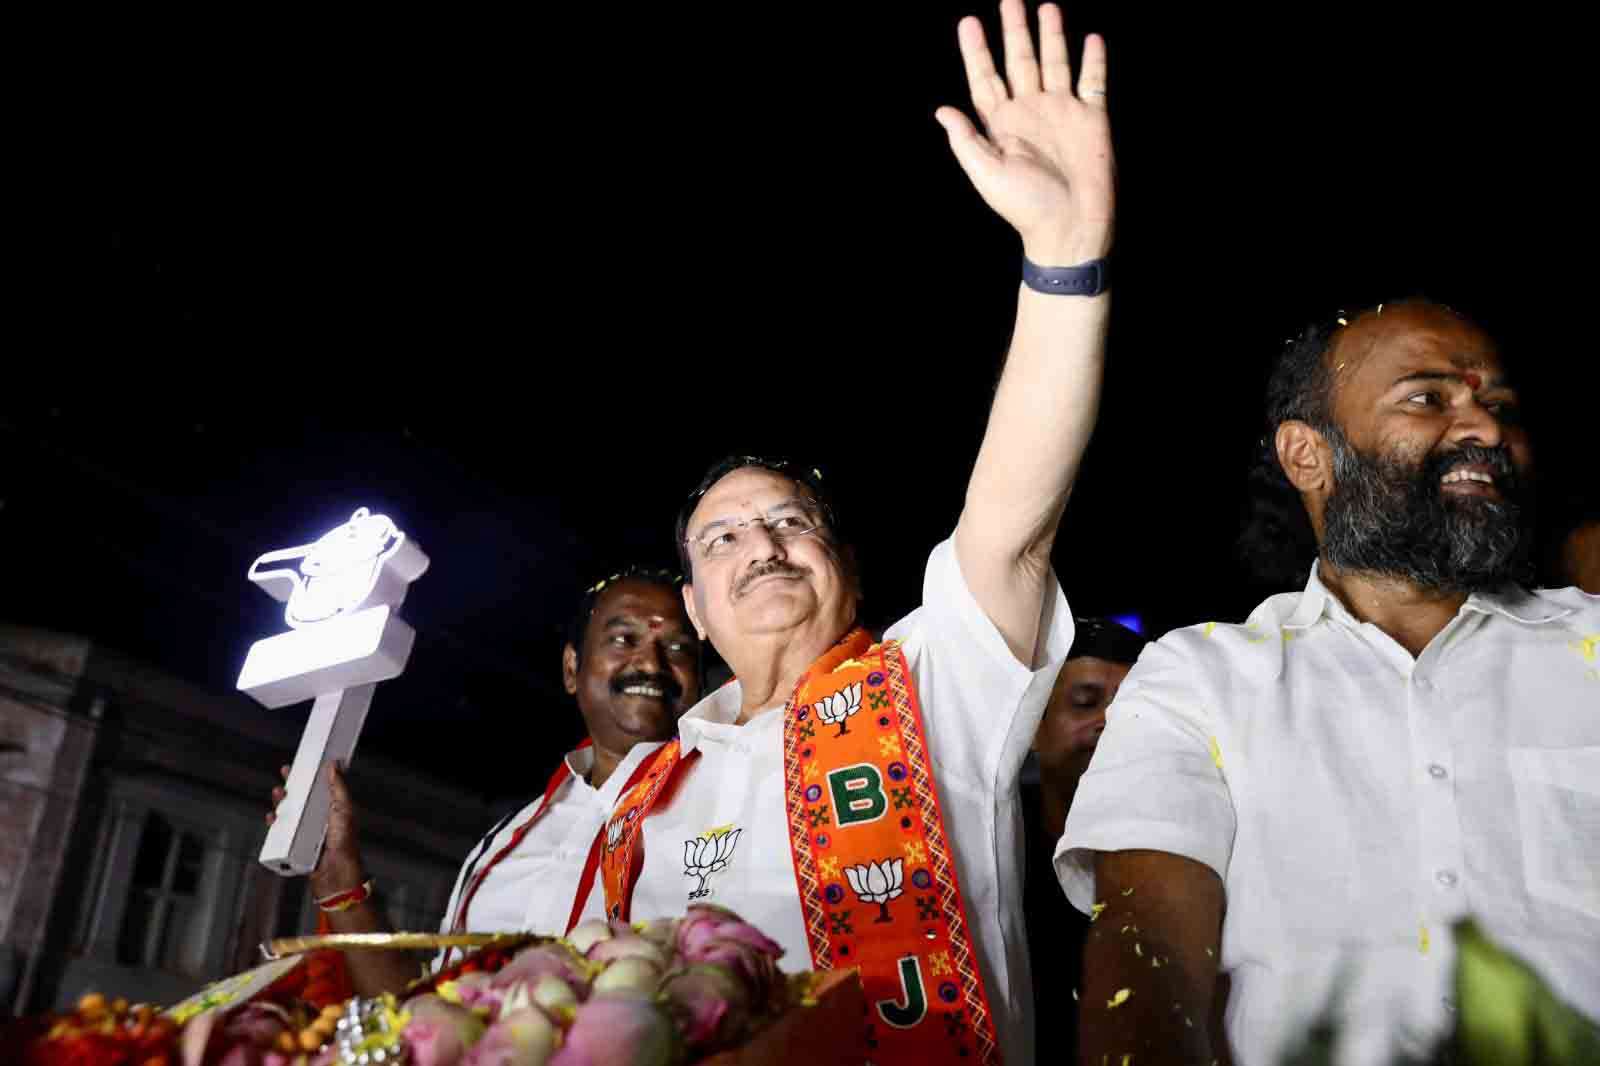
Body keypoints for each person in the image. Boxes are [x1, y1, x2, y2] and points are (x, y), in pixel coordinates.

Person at [585, 4, 1116, 1062]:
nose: (765, 545)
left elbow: (1011, 519)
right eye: (724, 538)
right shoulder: (642, 794)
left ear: (845, 565)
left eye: (791, 521)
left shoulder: (930, 680)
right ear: (690, 606)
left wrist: (1064, 256)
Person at [1058, 300, 1600, 1066]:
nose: (1484, 429)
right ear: (1308, 456)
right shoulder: (1201, 679)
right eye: (1428, 398)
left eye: (1498, 406)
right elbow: (1150, 953)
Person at [266, 566, 702, 994]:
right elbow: (425, 1009)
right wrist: (342, 882)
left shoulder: (722, 814)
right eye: (624, 639)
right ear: (572, 669)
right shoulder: (505, 841)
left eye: (679, 647)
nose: (651, 661)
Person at [1022, 616, 1145, 1065]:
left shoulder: (1191, 851)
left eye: (1132, 704)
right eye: (1086, 702)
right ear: (1034, 727)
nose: (1111, 721)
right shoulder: (994, 853)